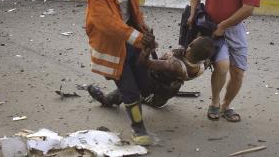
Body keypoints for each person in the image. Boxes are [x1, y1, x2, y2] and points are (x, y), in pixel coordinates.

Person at [85, 0, 156, 146]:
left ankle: (113, 98)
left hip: (132, 42)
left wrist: (144, 29)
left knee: (143, 84)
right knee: (132, 91)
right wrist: (141, 39)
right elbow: (114, 27)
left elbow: (134, 10)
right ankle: (138, 129)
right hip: (113, 48)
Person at [188, 0, 260, 122]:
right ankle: (214, 102)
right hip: (212, 28)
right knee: (222, 66)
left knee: (238, 73)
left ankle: (226, 105)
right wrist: (192, 13)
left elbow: (248, 9)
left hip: (234, 29)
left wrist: (224, 26)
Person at [87, 36, 216, 109]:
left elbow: (145, 63)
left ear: (191, 45)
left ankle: (106, 100)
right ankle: (146, 99)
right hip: (169, 91)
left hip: (152, 82)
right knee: (157, 102)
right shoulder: (202, 65)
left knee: (127, 89)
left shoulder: (173, 64)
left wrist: (147, 50)